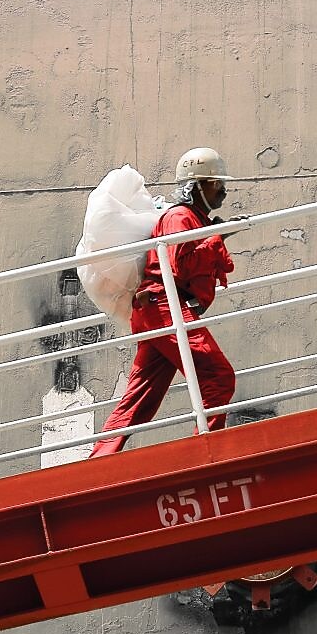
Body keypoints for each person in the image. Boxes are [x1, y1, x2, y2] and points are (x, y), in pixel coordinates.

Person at [90, 147, 246, 457]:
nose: (224, 191)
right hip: (164, 307)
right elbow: (179, 265)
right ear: (197, 186)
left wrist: (215, 233)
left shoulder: (194, 219)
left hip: (158, 311)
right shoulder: (179, 217)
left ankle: (99, 461)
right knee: (217, 376)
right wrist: (220, 235)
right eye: (216, 184)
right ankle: (207, 452)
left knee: (140, 397)